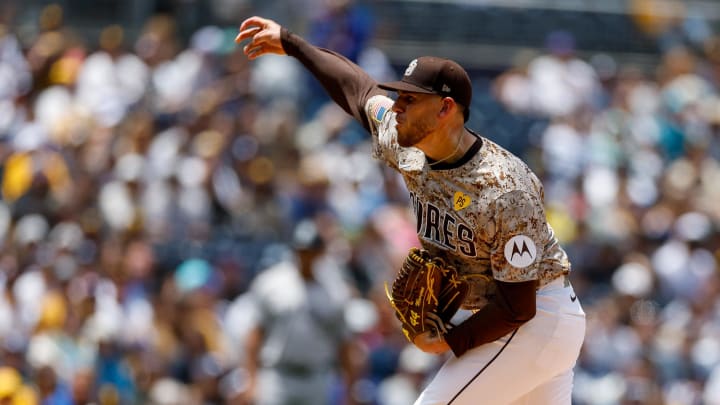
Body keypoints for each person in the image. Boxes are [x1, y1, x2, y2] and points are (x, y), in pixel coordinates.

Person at [236, 16, 586, 405]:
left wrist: (450, 339)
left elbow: (518, 305)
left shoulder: (503, 188)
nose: (397, 107)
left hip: (534, 319)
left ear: (445, 110)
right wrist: (292, 44)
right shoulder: (405, 142)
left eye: (409, 100)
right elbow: (359, 89)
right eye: (399, 97)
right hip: (514, 322)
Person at [242, 219, 358, 405]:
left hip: (317, 376)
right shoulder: (271, 283)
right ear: (294, 250)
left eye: (311, 251)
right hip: (278, 375)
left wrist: (350, 388)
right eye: (302, 251)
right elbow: (255, 336)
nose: (306, 256)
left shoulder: (335, 290)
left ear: (320, 252)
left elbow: (343, 344)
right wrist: (251, 379)